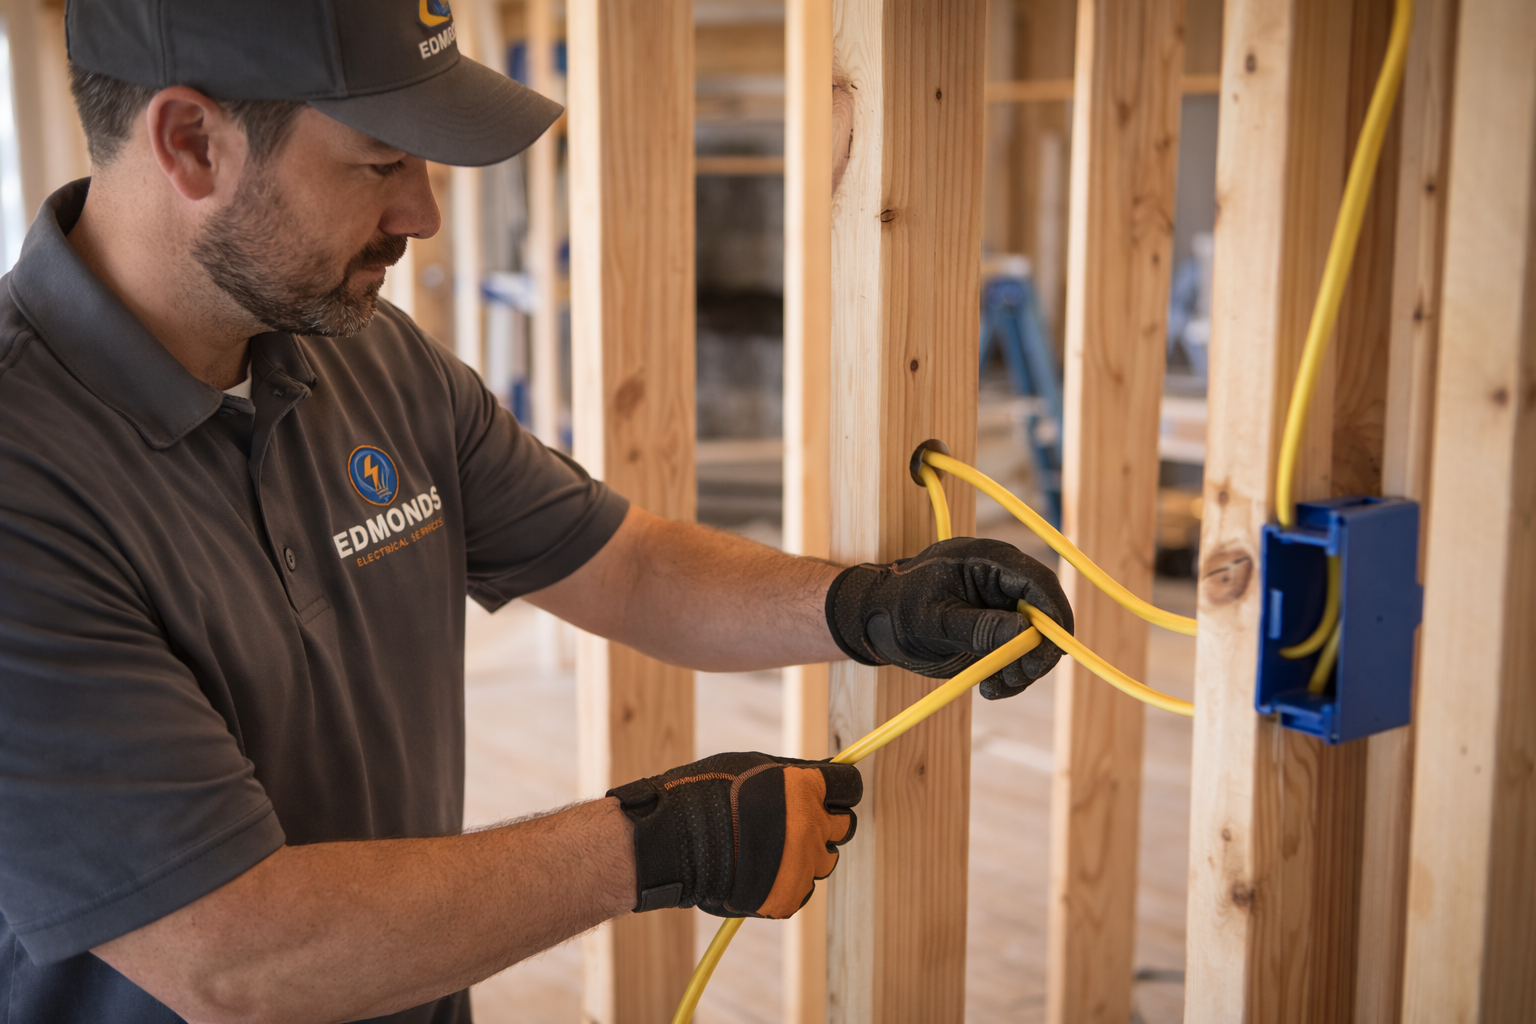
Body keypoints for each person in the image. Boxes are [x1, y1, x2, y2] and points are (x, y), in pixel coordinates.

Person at [0, 2, 1074, 1021]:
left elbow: (624, 564)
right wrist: (655, 845)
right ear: (191, 142)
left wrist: (868, 608)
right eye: (381, 161)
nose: (421, 213)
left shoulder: (366, 357)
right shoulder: (24, 477)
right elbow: (236, 958)